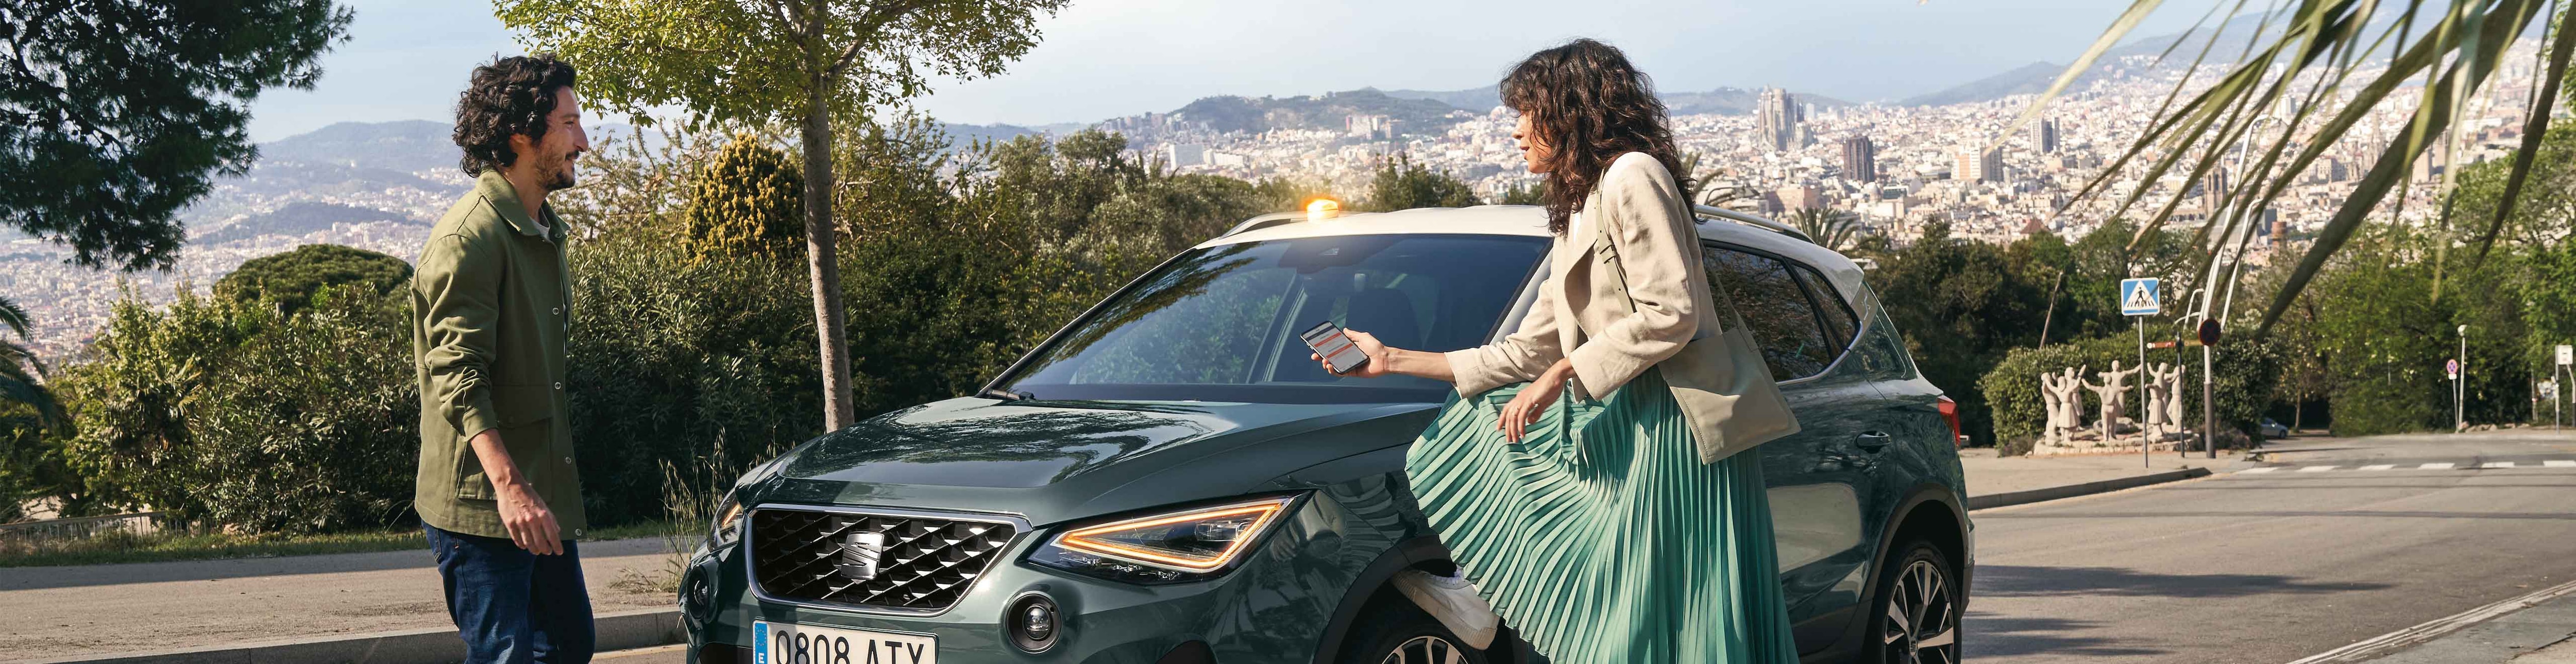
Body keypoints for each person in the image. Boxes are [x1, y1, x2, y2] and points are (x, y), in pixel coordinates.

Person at [1317, 38, 1802, 662]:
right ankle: (1482, 593)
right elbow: (1530, 347)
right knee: (1476, 419)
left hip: (1674, 429)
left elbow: (1672, 313)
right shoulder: (1579, 207)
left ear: (1570, 111)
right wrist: (1391, 358)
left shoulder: (1633, 176)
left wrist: (1564, 373)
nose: (1516, 131)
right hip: (1627, 427)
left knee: (1658, 628)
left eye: (1527, 111)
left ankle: (1479, 596)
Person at [413, 53, 594, 664]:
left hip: (537, 497)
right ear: (522, 133)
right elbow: (457, 377)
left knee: (568, 644)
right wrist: (512, 487)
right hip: (485, 507)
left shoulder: (540, 227)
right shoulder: (470, 239)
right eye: (569, 124)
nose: (584, 142)